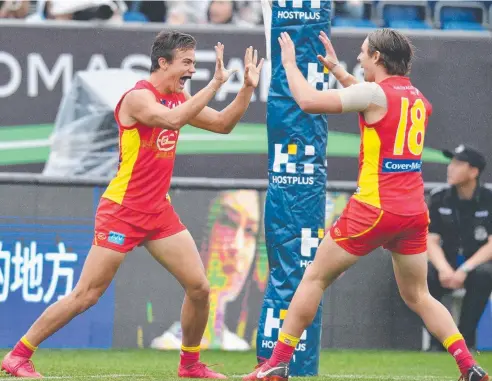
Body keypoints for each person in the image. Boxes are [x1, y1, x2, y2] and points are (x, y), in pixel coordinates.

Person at [1, 30, 264, 379]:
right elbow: (172, 120)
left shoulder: (179, 98)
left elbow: (223, 124)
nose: (191, 69)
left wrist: (246, 87)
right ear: (163, 62)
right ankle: (18, 356)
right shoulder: (138, 98)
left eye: (194, 63)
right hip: (122, 210)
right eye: (186, 62)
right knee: (86, 295)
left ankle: (190, 365)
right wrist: (216, 84)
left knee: (200, 288)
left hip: (158, 212)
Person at [243, 29, 489, 381]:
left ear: (377, 57)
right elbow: (375, 102)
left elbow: (309, 102)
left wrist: (288, 65)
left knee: (313, 278)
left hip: (374, 209)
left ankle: (277, 364)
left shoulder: (375, 93)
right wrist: (339, 73)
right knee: (419, 295)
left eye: (362, 53)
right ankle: (468, 366)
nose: (358, 59)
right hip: (413, 212)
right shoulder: (417, 97)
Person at [150, 190, 261, 351]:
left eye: (250, 231)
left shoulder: (238, 347)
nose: (236, 247)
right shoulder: (164, 345)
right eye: (227, 222)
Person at [426, 145, 492, 351]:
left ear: (474, 172)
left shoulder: (489, 198)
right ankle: (440, 342)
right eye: (451, 163)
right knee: (422, 277)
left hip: (476, 264)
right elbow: (430, 240)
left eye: (458, 164)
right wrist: (444, 269)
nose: (451, 168)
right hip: (447, 262)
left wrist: (465, 269)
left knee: (484, 274)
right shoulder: (439, 197)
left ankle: (465, 341)